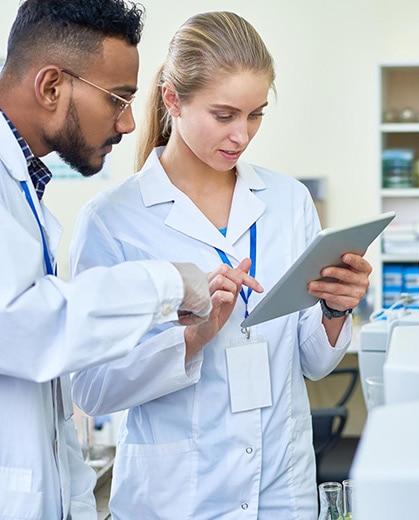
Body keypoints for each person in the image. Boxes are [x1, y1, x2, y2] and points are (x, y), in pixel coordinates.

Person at [70, 11, 372, 519]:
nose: (242, 135)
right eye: (225, 114)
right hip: (175, 498)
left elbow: (315, 363)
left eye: (255, 115)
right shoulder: (112, 221)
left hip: (281, 487)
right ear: (173, 100)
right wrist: (191, 339)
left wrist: (336, 309)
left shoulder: (287, 201)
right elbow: (92, 390)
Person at [0, 1, 229, 519]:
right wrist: (169, 282)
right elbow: (22, 324)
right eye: (118, 98)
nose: (128, 122)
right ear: (52, 86)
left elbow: (50, 412)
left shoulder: (22, 183)